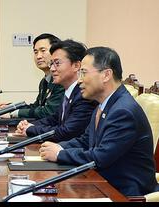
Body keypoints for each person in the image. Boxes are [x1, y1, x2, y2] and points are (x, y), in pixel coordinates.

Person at [39, 47, 157, 196]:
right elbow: (85, 140)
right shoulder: (104, 103)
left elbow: (100, 157)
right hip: (102, 183)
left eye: (84, 73)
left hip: (124, 193)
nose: (80, 80)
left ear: (106, 75)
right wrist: (56, 147)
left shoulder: (123, 111)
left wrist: (60, 154)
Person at [15, 40, 97, 142]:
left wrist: (31, 129)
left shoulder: (84, 96)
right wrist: (28, 125)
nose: (52, 69)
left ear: (76, 66)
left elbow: (67, 132)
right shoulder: (68, 92)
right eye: (51, 64)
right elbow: (53, 119)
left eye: (57, 63)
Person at [0, 33, 65, 119]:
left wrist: (15, 113)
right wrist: (12, 108)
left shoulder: (61, 80)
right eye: (35, 52)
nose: (38, 56)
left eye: (43, 50)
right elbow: (37, 107)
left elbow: (48, 111)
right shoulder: (44, 81)